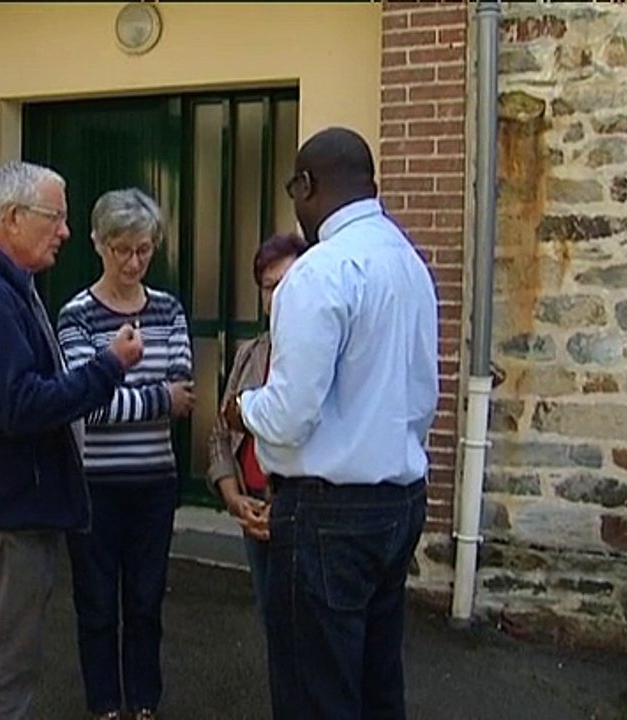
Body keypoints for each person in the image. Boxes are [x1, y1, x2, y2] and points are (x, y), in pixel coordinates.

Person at [221, 127, 440, 720]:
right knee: (376, 684)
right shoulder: (409, 263)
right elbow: (423, 395)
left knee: (315, 694)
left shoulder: (319, 272)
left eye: (296, 190)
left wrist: (241, 408)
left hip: (326, 515)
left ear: (308, 185)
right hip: (398, 502)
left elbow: (289, 416)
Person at [0, 161, 144, 720]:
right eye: (56, 218)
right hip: (4, 518)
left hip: (13, 509)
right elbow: (20, 406)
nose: (66, 232)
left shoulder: (6, 288)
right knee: (3, 672)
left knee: (10, 662)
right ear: (14, 218)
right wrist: (108, 367)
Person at [56, 188, 194, 720]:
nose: (134, 261)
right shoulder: (77, 317)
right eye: (122, 250)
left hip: (154, 481)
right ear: (97, 244)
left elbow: (187, 395)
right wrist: (155, 397)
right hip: (95, 483)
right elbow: (86, 405)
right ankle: (104, 705)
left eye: (144, 249)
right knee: (95, 604)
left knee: (145, 601)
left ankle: (144, 702)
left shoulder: (168, 309)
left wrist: (120, 390)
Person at [205, 232, 310, 624]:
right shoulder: (250, 354)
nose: (278, 296)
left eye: (288, 284)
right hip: (252, 510)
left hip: (300, 514)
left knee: (303, 630)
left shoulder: (320, 356)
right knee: (272, 622)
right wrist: (233, 498)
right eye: (269, 287)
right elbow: (220, 432)